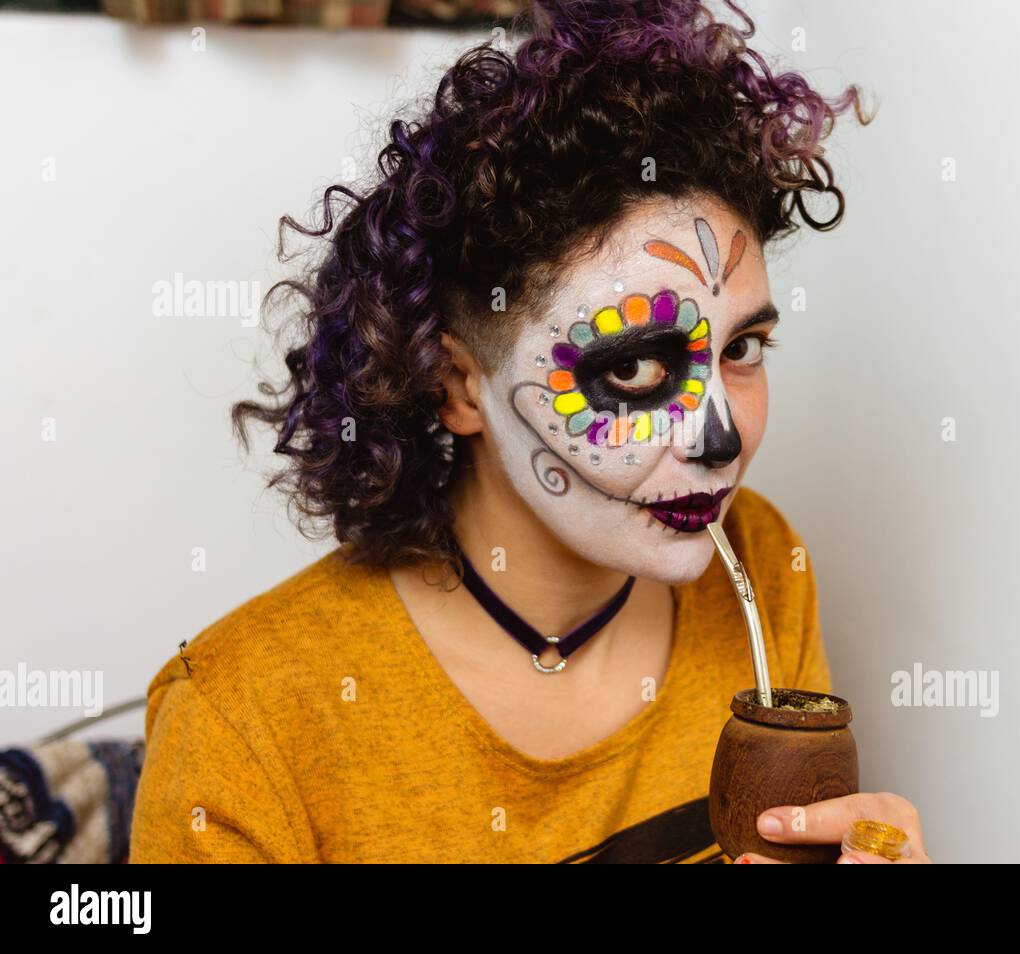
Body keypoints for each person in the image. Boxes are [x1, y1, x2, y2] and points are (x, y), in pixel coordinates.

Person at [129, 0, 931, 864]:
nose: (722, 437)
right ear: (458, 385)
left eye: (742, 348)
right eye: (632, 368)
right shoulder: (243, 722)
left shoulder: (767, 570)